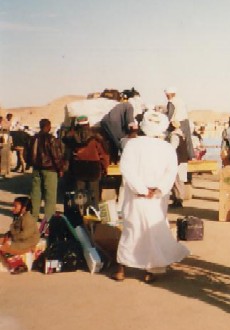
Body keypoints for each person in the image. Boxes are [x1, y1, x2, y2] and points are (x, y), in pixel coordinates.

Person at [112, 110, 190, 283]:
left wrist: (141, 189)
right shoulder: (167, 148)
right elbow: (171, 172)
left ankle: (121, 270)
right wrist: (157, 190)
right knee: (152, 231)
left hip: (136, 195)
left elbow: (126, 169)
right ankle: (149, 270)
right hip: (155, 197)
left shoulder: (132, 145)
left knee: (131, 230)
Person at [63, 117, 110, 210]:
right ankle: (93, 217)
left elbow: (67, 154)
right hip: (93, 168)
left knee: (80, 195)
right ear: (88, 124)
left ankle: (80, 216)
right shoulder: (96, 138)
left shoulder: (72, 138)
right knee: (94, 195)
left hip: (79, 168)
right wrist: (105, 167)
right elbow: (103, 155)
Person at [29, 119, 64, 221]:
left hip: (36, 169)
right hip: (50, 170)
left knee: (35, 193)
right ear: (48, 126)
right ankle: (48, 218)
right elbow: (56, 156)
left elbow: (27, 154)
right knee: (50, 195)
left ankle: (33, 216)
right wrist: (60, 168)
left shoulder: (33, 139)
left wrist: (31, 164)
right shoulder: (51, 139)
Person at [1, 196, 40, 274]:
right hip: (20, 240)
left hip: (27, 243)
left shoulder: (28, 219)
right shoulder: (21, 217)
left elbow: (24, 236)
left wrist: (10, 239)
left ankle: (19, 265)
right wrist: (7, 235)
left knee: (5, 247)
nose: (13, 208)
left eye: (15, 206)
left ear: (23, 208)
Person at [100, 97, 139, 162]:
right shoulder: (130, 106)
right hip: (114, 122)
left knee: (112, 142)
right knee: (119, 143)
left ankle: (113, 160)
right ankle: (121, 160)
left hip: (105, 122)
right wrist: (134, 132)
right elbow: (130, 122)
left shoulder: (122, 105)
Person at [164, 87, 194, 160]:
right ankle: (191, 157)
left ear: (169, 94)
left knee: (171, 138)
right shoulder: (180, 100)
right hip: (185, 121)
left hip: (177, 122)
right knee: (188, 140)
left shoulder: (171, 102)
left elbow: (170, 115)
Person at [166, 120, 189, 208]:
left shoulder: (175, 136)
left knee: (177, 182)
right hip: (182, 160)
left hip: (178, 161)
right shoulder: (181, 135)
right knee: (179, 181)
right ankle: (178, 199)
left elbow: (172, 148)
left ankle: (178, 200)